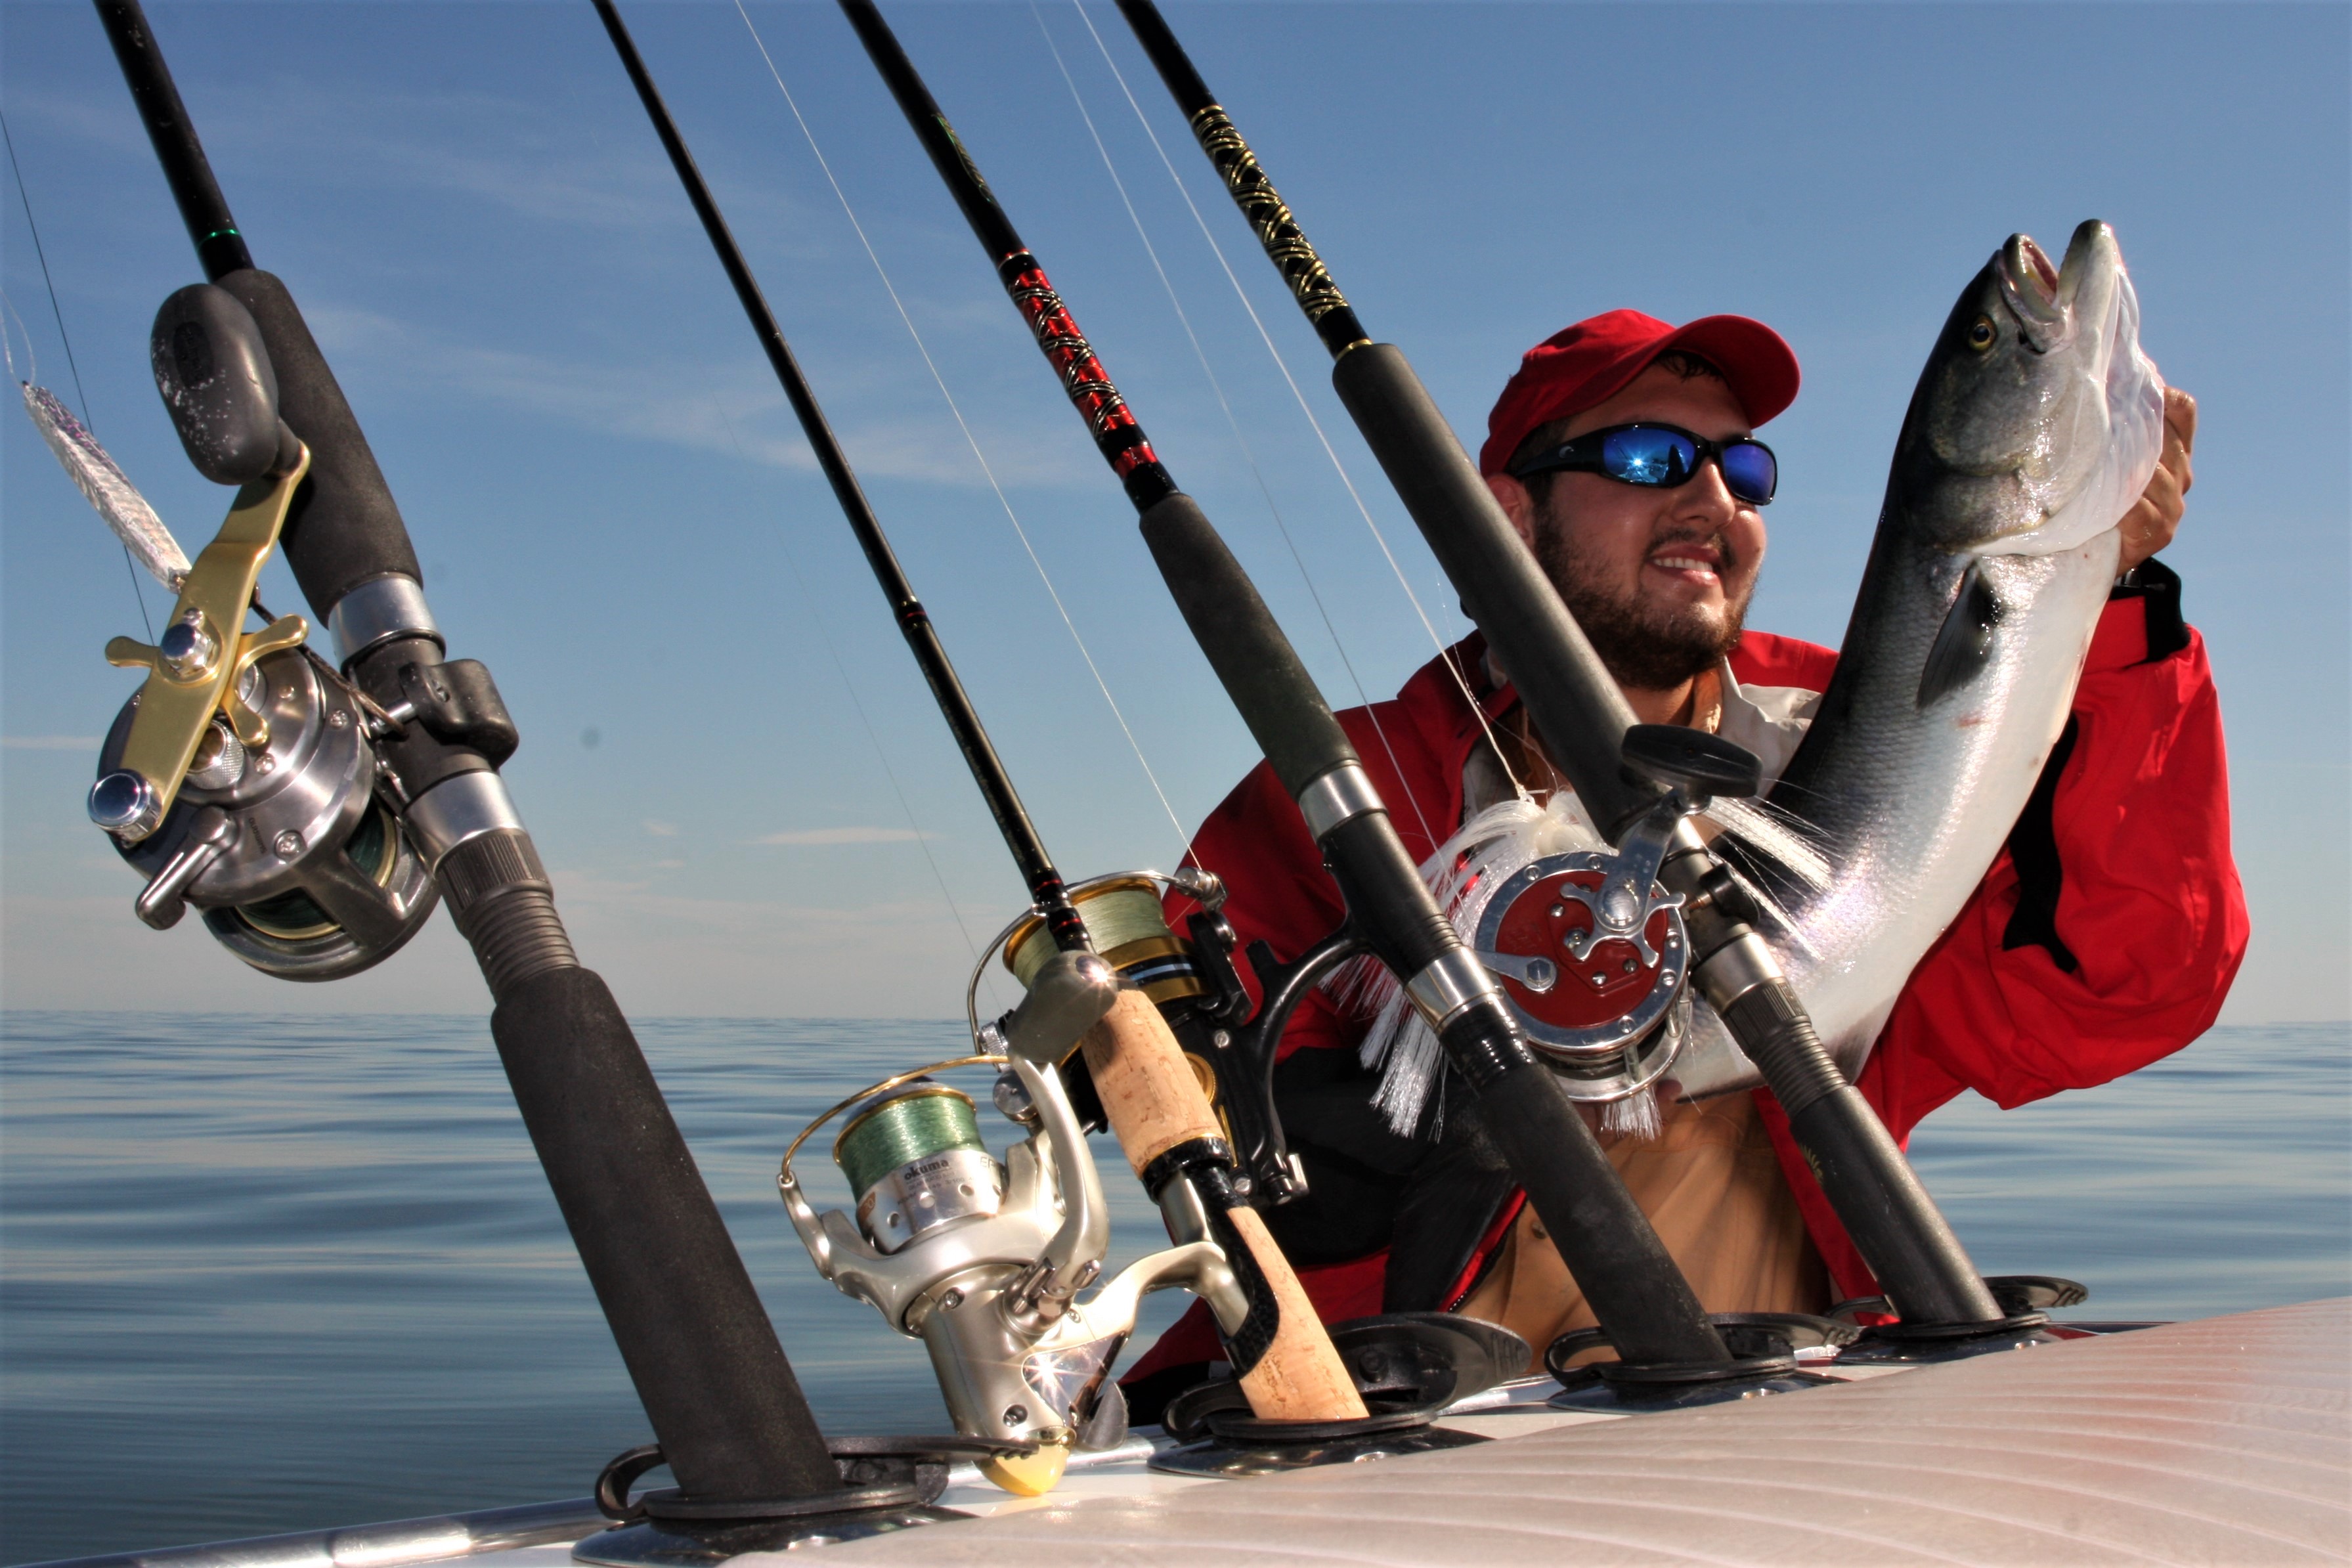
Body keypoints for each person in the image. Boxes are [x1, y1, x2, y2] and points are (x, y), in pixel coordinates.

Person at [1121, 309, 2246, 1410]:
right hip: (1398, 1412)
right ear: (1506, 511)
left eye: (1742, 468)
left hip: (1763, 1413)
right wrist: (1335, 1122)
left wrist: (2111, 604)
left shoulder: (1878, 725)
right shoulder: (1340, 786)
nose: (1710, 498)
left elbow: (2114, 992)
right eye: (1646, 456)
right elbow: (1181, 1070)